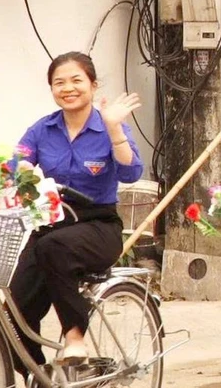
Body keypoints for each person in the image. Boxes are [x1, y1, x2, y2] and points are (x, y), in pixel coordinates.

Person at [12, 52, 143, 370]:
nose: (67, 88)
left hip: (98, 225)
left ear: (93, 85)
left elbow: (131, 173)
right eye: (59, 82)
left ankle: (75, 338)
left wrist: (114, 128)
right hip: (51, 224)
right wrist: (0, 168)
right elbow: (17, 161)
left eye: (76, 80)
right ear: (52, 89)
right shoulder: (43, 129)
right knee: (13, 310)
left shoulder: (108, 125)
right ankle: (37, 375)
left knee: (53, 246)